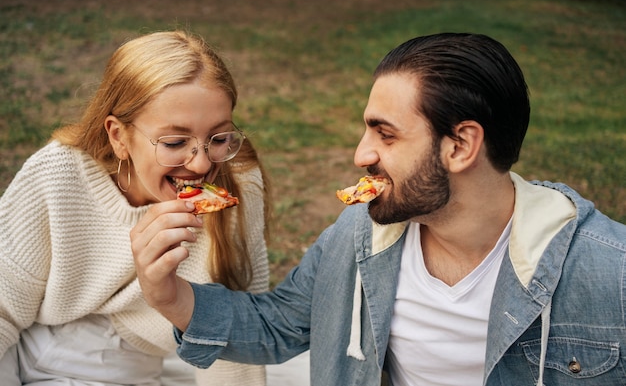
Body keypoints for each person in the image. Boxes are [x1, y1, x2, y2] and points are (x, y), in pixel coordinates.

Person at [131, 33, 626, 386]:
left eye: (385, 134)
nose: (361, 154)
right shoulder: (359, 233)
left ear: (460, 146)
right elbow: (278, 328)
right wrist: (167, 293)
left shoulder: (608, 272)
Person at [0, 30, 273, 385]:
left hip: (133, 367)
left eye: (218, 138)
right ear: (118, 136)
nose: (202, 165)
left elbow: (239, 333)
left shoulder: (239, 186)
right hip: (21, 344)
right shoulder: (59, 174)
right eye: (175, 142)